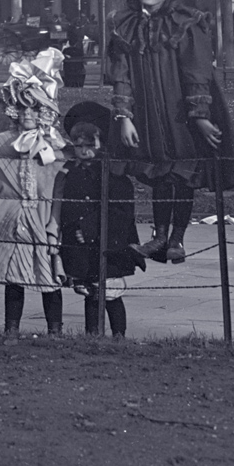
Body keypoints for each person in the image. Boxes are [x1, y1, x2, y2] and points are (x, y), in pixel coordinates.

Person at [104, 0, 234, 264]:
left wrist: (202, 116)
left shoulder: (186, 23)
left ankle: (177, 238)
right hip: (147, 112)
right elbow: (120, 73)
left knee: (181, 173)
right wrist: (124, 116)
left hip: (179, 110)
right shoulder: (125, 24)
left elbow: (198, 72)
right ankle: (159, 235)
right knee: (159, 174)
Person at [0, 49, 67, 335]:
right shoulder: (1, 145)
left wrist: (54, 225)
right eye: (23, 108)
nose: (28, 114)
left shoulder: (56, 149)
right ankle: (11, 329)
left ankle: (55, 331)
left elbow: (60, 192)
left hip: (40, 218)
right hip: (8, 217)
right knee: (12, 276)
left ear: (45, 112)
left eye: (35, 109)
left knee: (48, 276)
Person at [55, 101, 145, 336]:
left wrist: (89, 227)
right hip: (81, 247)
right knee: (90, 293)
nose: (84, 151)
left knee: (111, 294)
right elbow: (68, 205)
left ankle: (118, 335)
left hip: (109, 244)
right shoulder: (71, 173)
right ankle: (92, 334)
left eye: (89, 145)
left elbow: (120, 212)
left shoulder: (113, 175)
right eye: (78, 146)